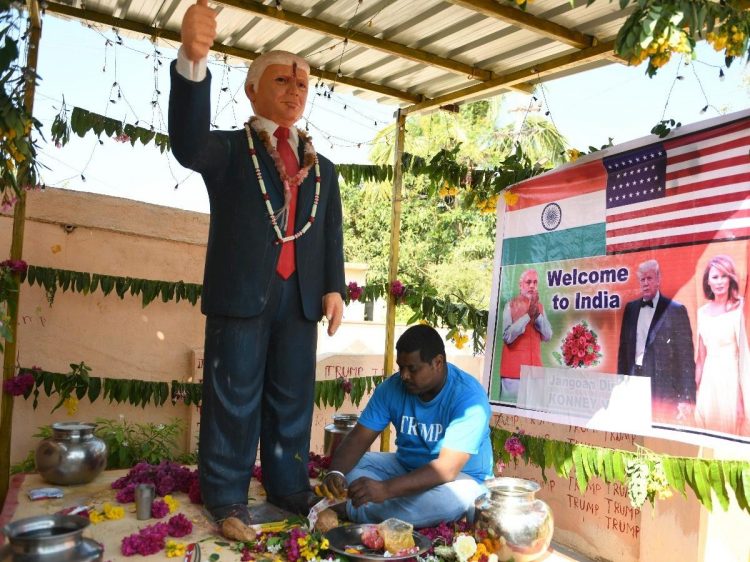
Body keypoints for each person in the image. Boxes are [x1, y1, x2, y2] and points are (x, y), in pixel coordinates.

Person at [169, 0, 346, 527]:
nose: (294, 92)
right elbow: (187, 142)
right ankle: (225, 495)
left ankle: (289, 485)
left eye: (301, 85)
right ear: (252, 89)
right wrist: (193, 62)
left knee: (293, 397)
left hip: (299, 298)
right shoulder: (226, 151)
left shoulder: (324, 168)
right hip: (242, 292)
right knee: (233, 396)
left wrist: (333, 287)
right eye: (282, 82)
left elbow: (329, 232)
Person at [319, 325, 493, 527]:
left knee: (447, 501)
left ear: (438, 362)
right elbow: (358, 439)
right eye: (400, 367)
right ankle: (384, 509)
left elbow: (446, 469)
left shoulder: (469, 398)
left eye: (412, 368)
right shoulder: (392, 387)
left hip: (461, 479)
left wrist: (385, 489)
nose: (404, 376)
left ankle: (351, 508)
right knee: (355, 464)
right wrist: (335, 474)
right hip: (406, 468)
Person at [617, 259, 695, 421]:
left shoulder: (675, 310)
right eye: (642, 280)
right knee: (634, 424)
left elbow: (686, 358)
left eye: (649, 278)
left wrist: (686, 398)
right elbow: (623, 351)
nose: (645, 283)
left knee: (660, 428)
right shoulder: (630, 309)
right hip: (634, 379)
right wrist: (619, 383)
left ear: (658, 280)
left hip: (663, 385)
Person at [694, 255, 749, 435]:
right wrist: (693, 392)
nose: (719, 282)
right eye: (714, 277)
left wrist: (741, 401)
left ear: (730, 278)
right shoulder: (702, 313)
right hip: (709, 383)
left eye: (723, 276)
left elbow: (744, 358)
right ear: (707, 282)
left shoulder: (740, 308)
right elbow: (701, 359)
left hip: (732, 382)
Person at [499, 269, 552, 402]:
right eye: (528, 282)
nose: (532, 286)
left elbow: (548, 335)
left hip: (535, 373)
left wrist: (537, 315)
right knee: (509, 413)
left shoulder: (539, 307)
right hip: (513, 375)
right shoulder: (510, 305)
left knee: (533, 415)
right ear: (520, 285)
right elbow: (507, 337)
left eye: (535, 282)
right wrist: (528, 316)